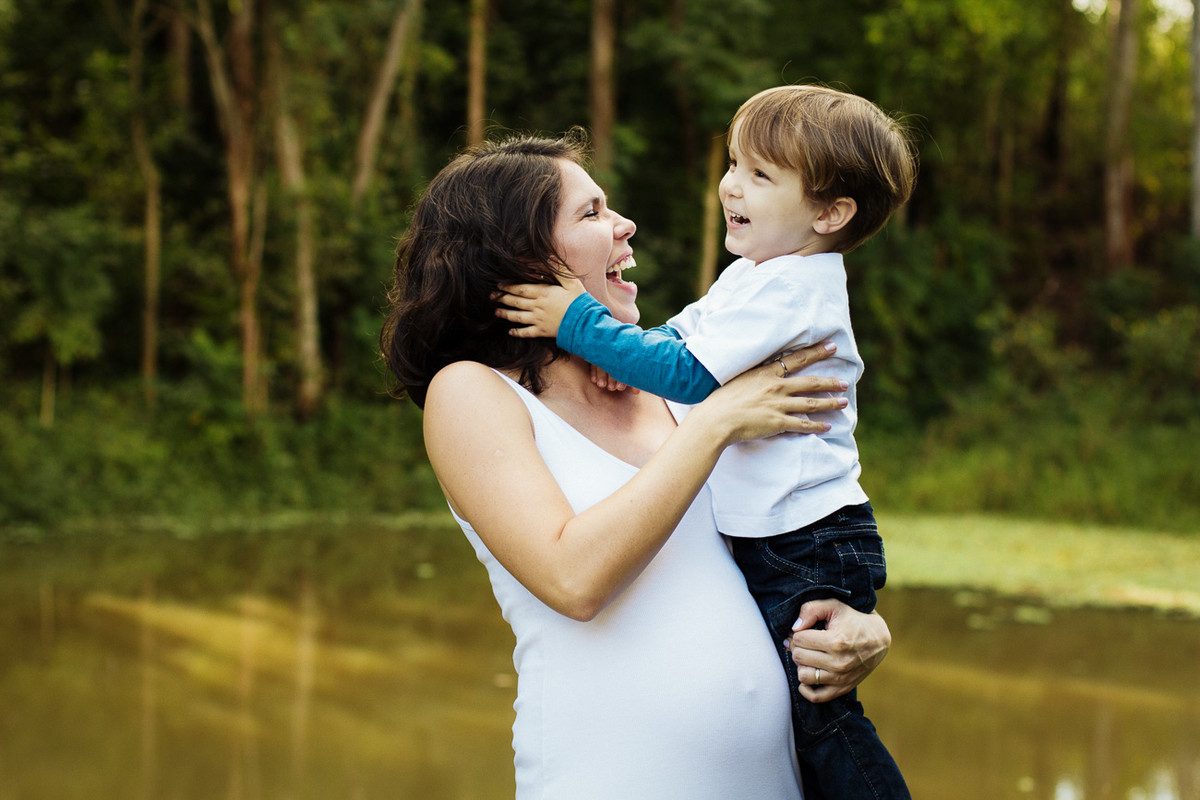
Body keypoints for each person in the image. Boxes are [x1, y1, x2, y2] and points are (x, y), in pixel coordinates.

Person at [380, 132, 894, 800]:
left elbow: (780, 550)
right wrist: (713, 424)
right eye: (592, 213)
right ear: (523, 254)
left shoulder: (677, 389)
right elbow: (573, 579)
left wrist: (860, 628)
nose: (624, 224)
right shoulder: (474, 392)